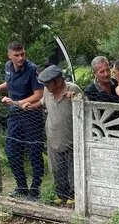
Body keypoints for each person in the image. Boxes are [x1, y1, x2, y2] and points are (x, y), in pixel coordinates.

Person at [0, 42, 45, 200]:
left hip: (32, 115)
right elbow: (10, 82)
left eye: (23, 54)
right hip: (14, 116)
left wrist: (18, 103)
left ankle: (35, 189)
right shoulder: (8, 67)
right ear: (9, 56)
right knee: (12, 151)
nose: (20, 58)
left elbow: (39, 94)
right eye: (17, 55)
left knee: (34, 153)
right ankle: (21, 186)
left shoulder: (32, 69)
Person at [25, 65, 82, 205]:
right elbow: (43, 102)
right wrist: (32, 106)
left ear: (58, 81)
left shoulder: (72, 89)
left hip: (71, 138)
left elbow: (85, 107)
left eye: (47, 83)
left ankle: (74, 197)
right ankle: (60, 195)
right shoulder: (47, 91)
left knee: (73, 170)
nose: (45, 86)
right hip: (53, 137)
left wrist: (75, 99)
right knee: (57, 169)